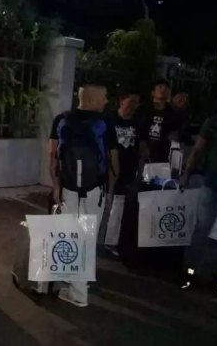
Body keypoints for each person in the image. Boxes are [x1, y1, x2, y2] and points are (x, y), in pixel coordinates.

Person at [49, 83, 120, 307]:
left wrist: (55, 185)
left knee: (70, 235)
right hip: (95, 190)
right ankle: (80, 293)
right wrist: (110, 190)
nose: (107, 101)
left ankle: (74, 283)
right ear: (91, 100)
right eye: (104, 97)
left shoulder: (61, 119)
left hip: (69, 188)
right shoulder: (105, 123)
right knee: (88, 237)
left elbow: (52, 155)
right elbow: (113, 160)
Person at [179, 78, 217, 299]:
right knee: (202, 231)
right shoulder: (215, 121)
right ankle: (190, 273)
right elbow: (198, 150)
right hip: (213, 183)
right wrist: (187, 173)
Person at [103, 90, 148, 255]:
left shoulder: (138, 122)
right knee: (106, 203)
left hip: (129, 169)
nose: (135, 106)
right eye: (132, 101)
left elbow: (142, 148)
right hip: (108, 168)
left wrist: (140, 173)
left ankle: (111, 241)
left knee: (119, 206)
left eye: (137, 102)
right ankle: (98, 238)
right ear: (121, 101)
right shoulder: (109, 119)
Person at [140, 79, 183, 163]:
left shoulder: (172, 113)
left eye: (166, 88)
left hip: (162, 158)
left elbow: (176, 135)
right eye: (160, 87)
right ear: (153, 92)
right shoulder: (144, 110)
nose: (163, 90)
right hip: (142, 156)